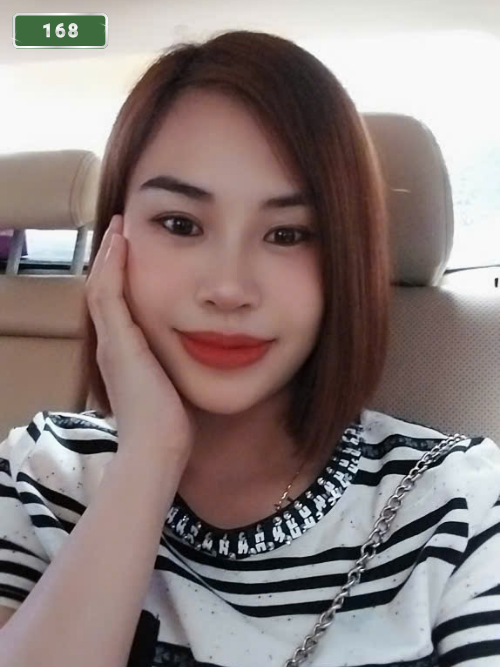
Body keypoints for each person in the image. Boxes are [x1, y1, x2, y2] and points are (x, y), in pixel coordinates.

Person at [0, 30, 499, 667]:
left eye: (288, 234)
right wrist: (149, 456)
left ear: (346, 260)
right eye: (180, 224)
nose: (229, 288)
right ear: (113, 245)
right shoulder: (39, 477)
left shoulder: (458, 506)